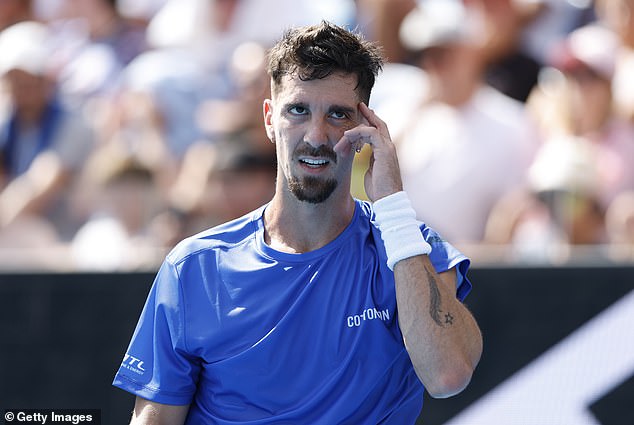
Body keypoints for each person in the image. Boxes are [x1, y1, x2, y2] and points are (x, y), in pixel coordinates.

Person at [113, 21, 482, 424]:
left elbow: (448, 375)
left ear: (367, 128)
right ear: (270, 118)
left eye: (338, 115)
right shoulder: (193, 267)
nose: (316, 135)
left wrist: (393, 204)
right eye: (298, 110)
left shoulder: (409, 247)